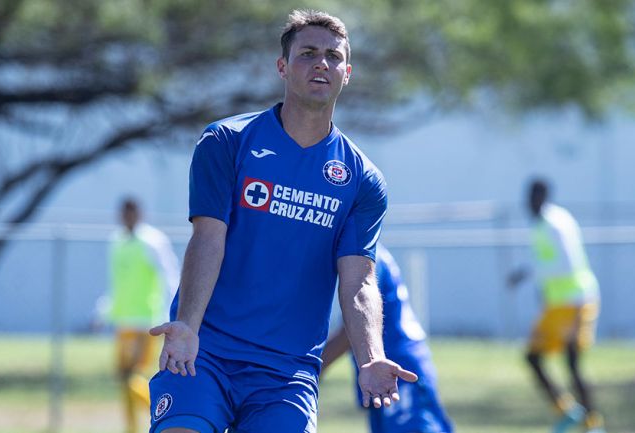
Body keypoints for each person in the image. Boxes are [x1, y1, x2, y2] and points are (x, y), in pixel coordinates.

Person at [147, 9, 417, 433]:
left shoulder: (362, 180)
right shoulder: (227, 142)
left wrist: (371, 356)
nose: (321, 63)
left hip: (286, 373)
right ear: (282, 67)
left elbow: (359, 280)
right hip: (206, 352)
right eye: (308, 53)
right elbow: (208, 239)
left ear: (348, 72)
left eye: (333, 56)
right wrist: (187, 326)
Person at [322, 244, 454, 433]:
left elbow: (350, 332)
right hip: (388, 363)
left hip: (396, 365)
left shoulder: (365, 256)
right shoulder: (362, 251)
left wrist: (314, 368)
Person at [507, 178, 604, 433]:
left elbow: (566, 264)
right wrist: (527, 277)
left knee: (572, 363)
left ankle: (593, 424)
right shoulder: (538, 225)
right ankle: (569, 411)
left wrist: (533, 275)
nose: (528, 202)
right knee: (533, 357)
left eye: (533, 197)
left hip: (576, 300)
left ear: (543, 197)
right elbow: (543, 261)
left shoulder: (556, 224)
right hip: (557, 304)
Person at [108, 197, 180, 433]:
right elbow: (118, 283)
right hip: (123, 321)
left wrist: (171, 311)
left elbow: (169, 276)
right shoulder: (117, 241)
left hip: (145, 321)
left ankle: (165, 414)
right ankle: (131, 428)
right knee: (123, 379)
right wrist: (104, 309)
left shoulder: (152, 241)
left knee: (134, 377)